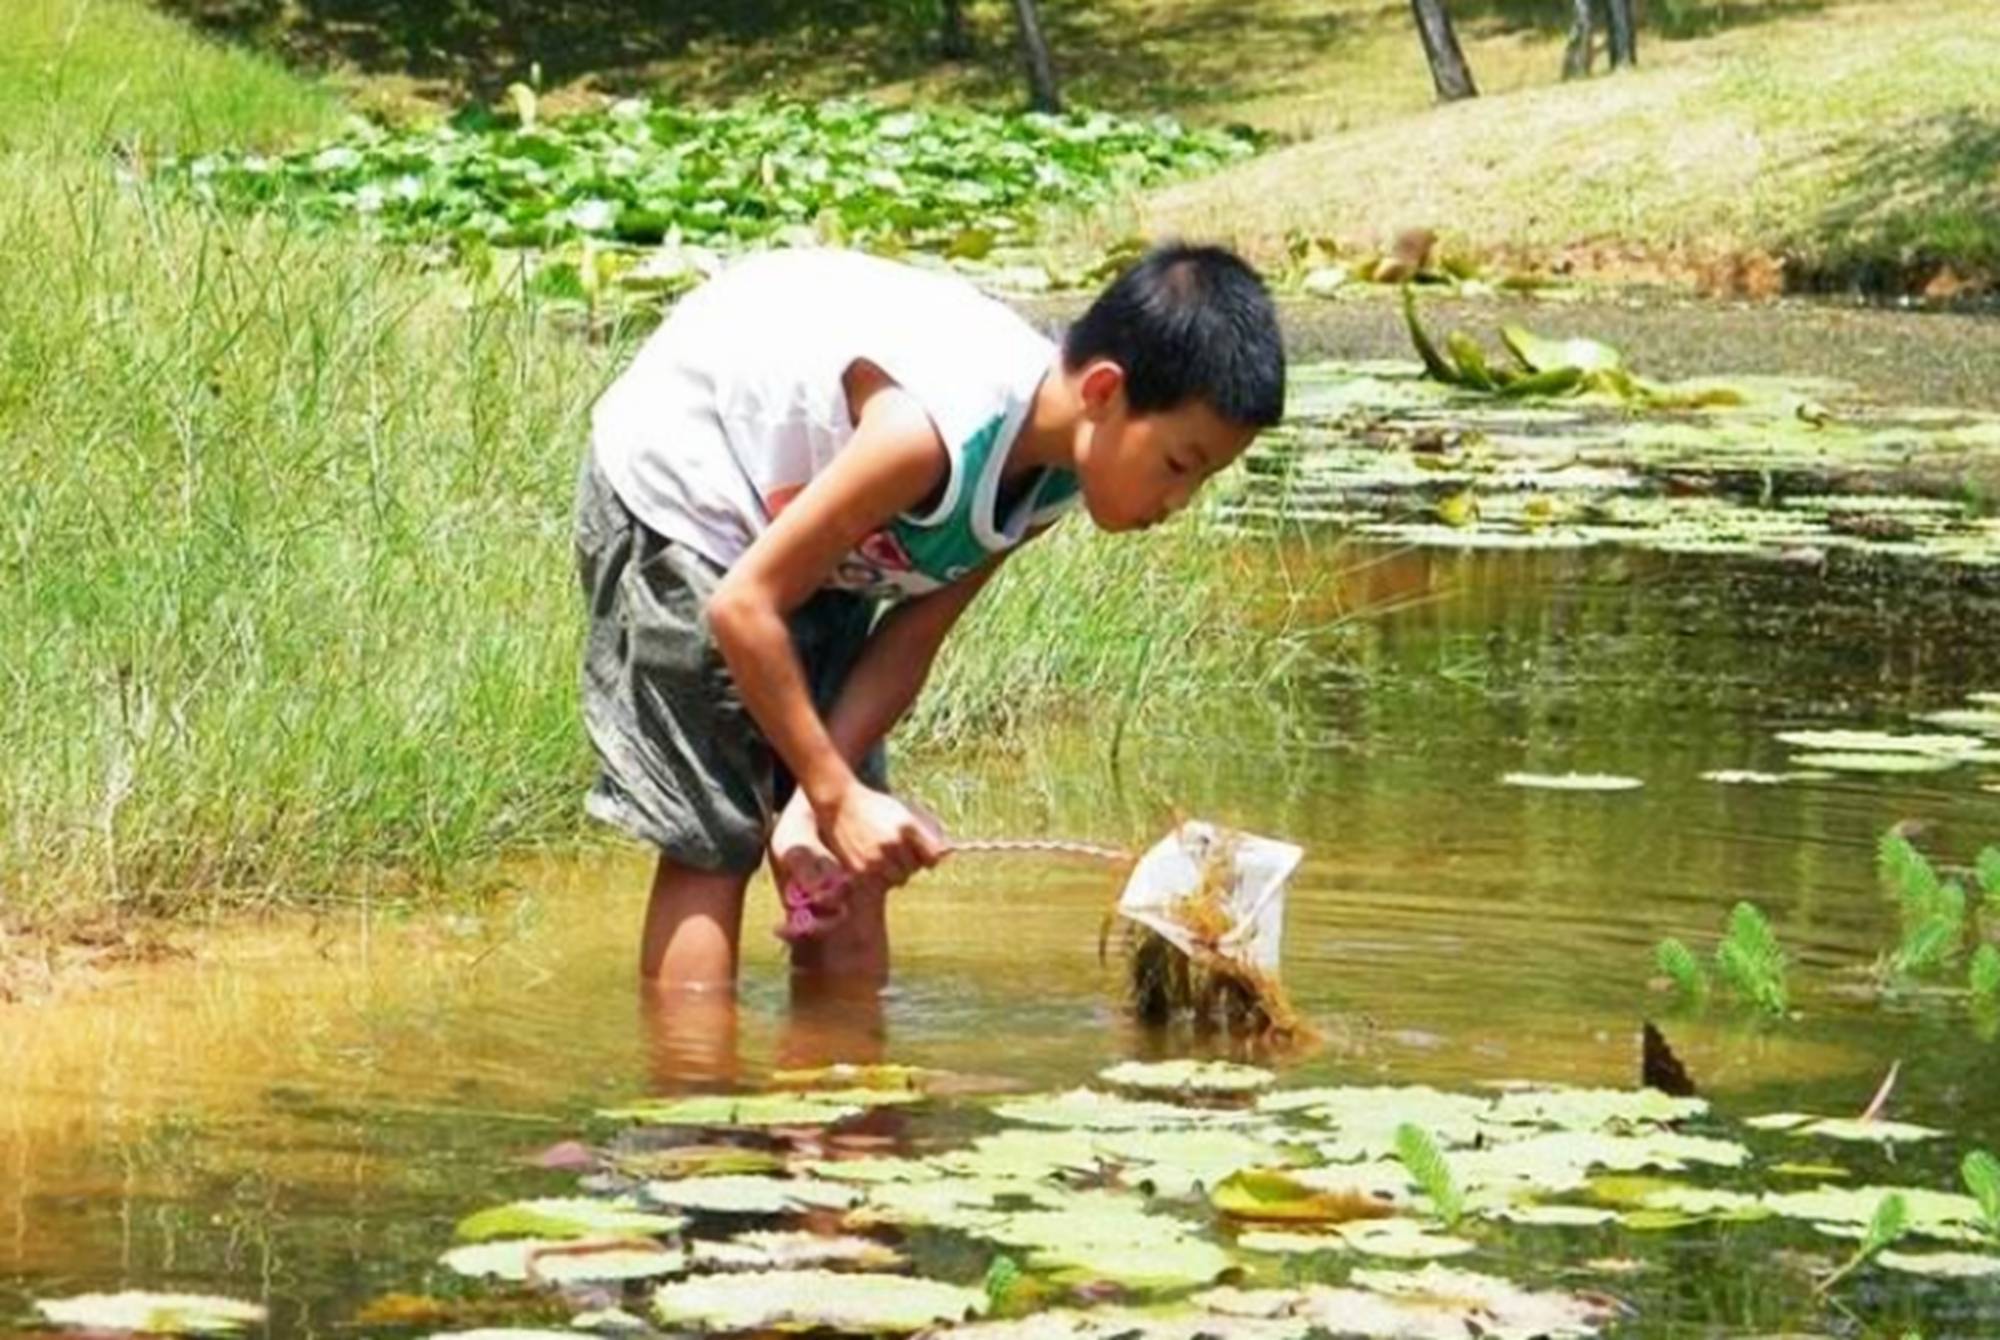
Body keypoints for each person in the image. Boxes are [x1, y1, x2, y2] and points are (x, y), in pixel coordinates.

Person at [575, 242, 1286, 992]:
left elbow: (913, 635)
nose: (1179, 504)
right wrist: (832, 791)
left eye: (1203, 480)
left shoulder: (1051, 475)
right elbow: (742, 606)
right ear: (1105, 392)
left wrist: (825, 798)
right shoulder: (931, 432)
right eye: (1180, 464)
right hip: (694, 490)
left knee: (850, 867)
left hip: (813, 515)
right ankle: (693, 1105)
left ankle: (844, 1101)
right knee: (714, 841)